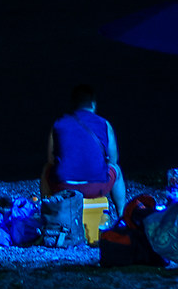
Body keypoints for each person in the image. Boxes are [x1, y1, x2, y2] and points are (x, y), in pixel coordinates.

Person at [43, 84, 126, 213]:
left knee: (46, 170)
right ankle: (122, 215)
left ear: (73, 104)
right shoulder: (104, 124)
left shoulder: (58, 123)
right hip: (97, 187)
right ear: (93, 104)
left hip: (64, 187)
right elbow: (113, 159)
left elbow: (51, 160)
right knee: (117, 170)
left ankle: (48, 212)